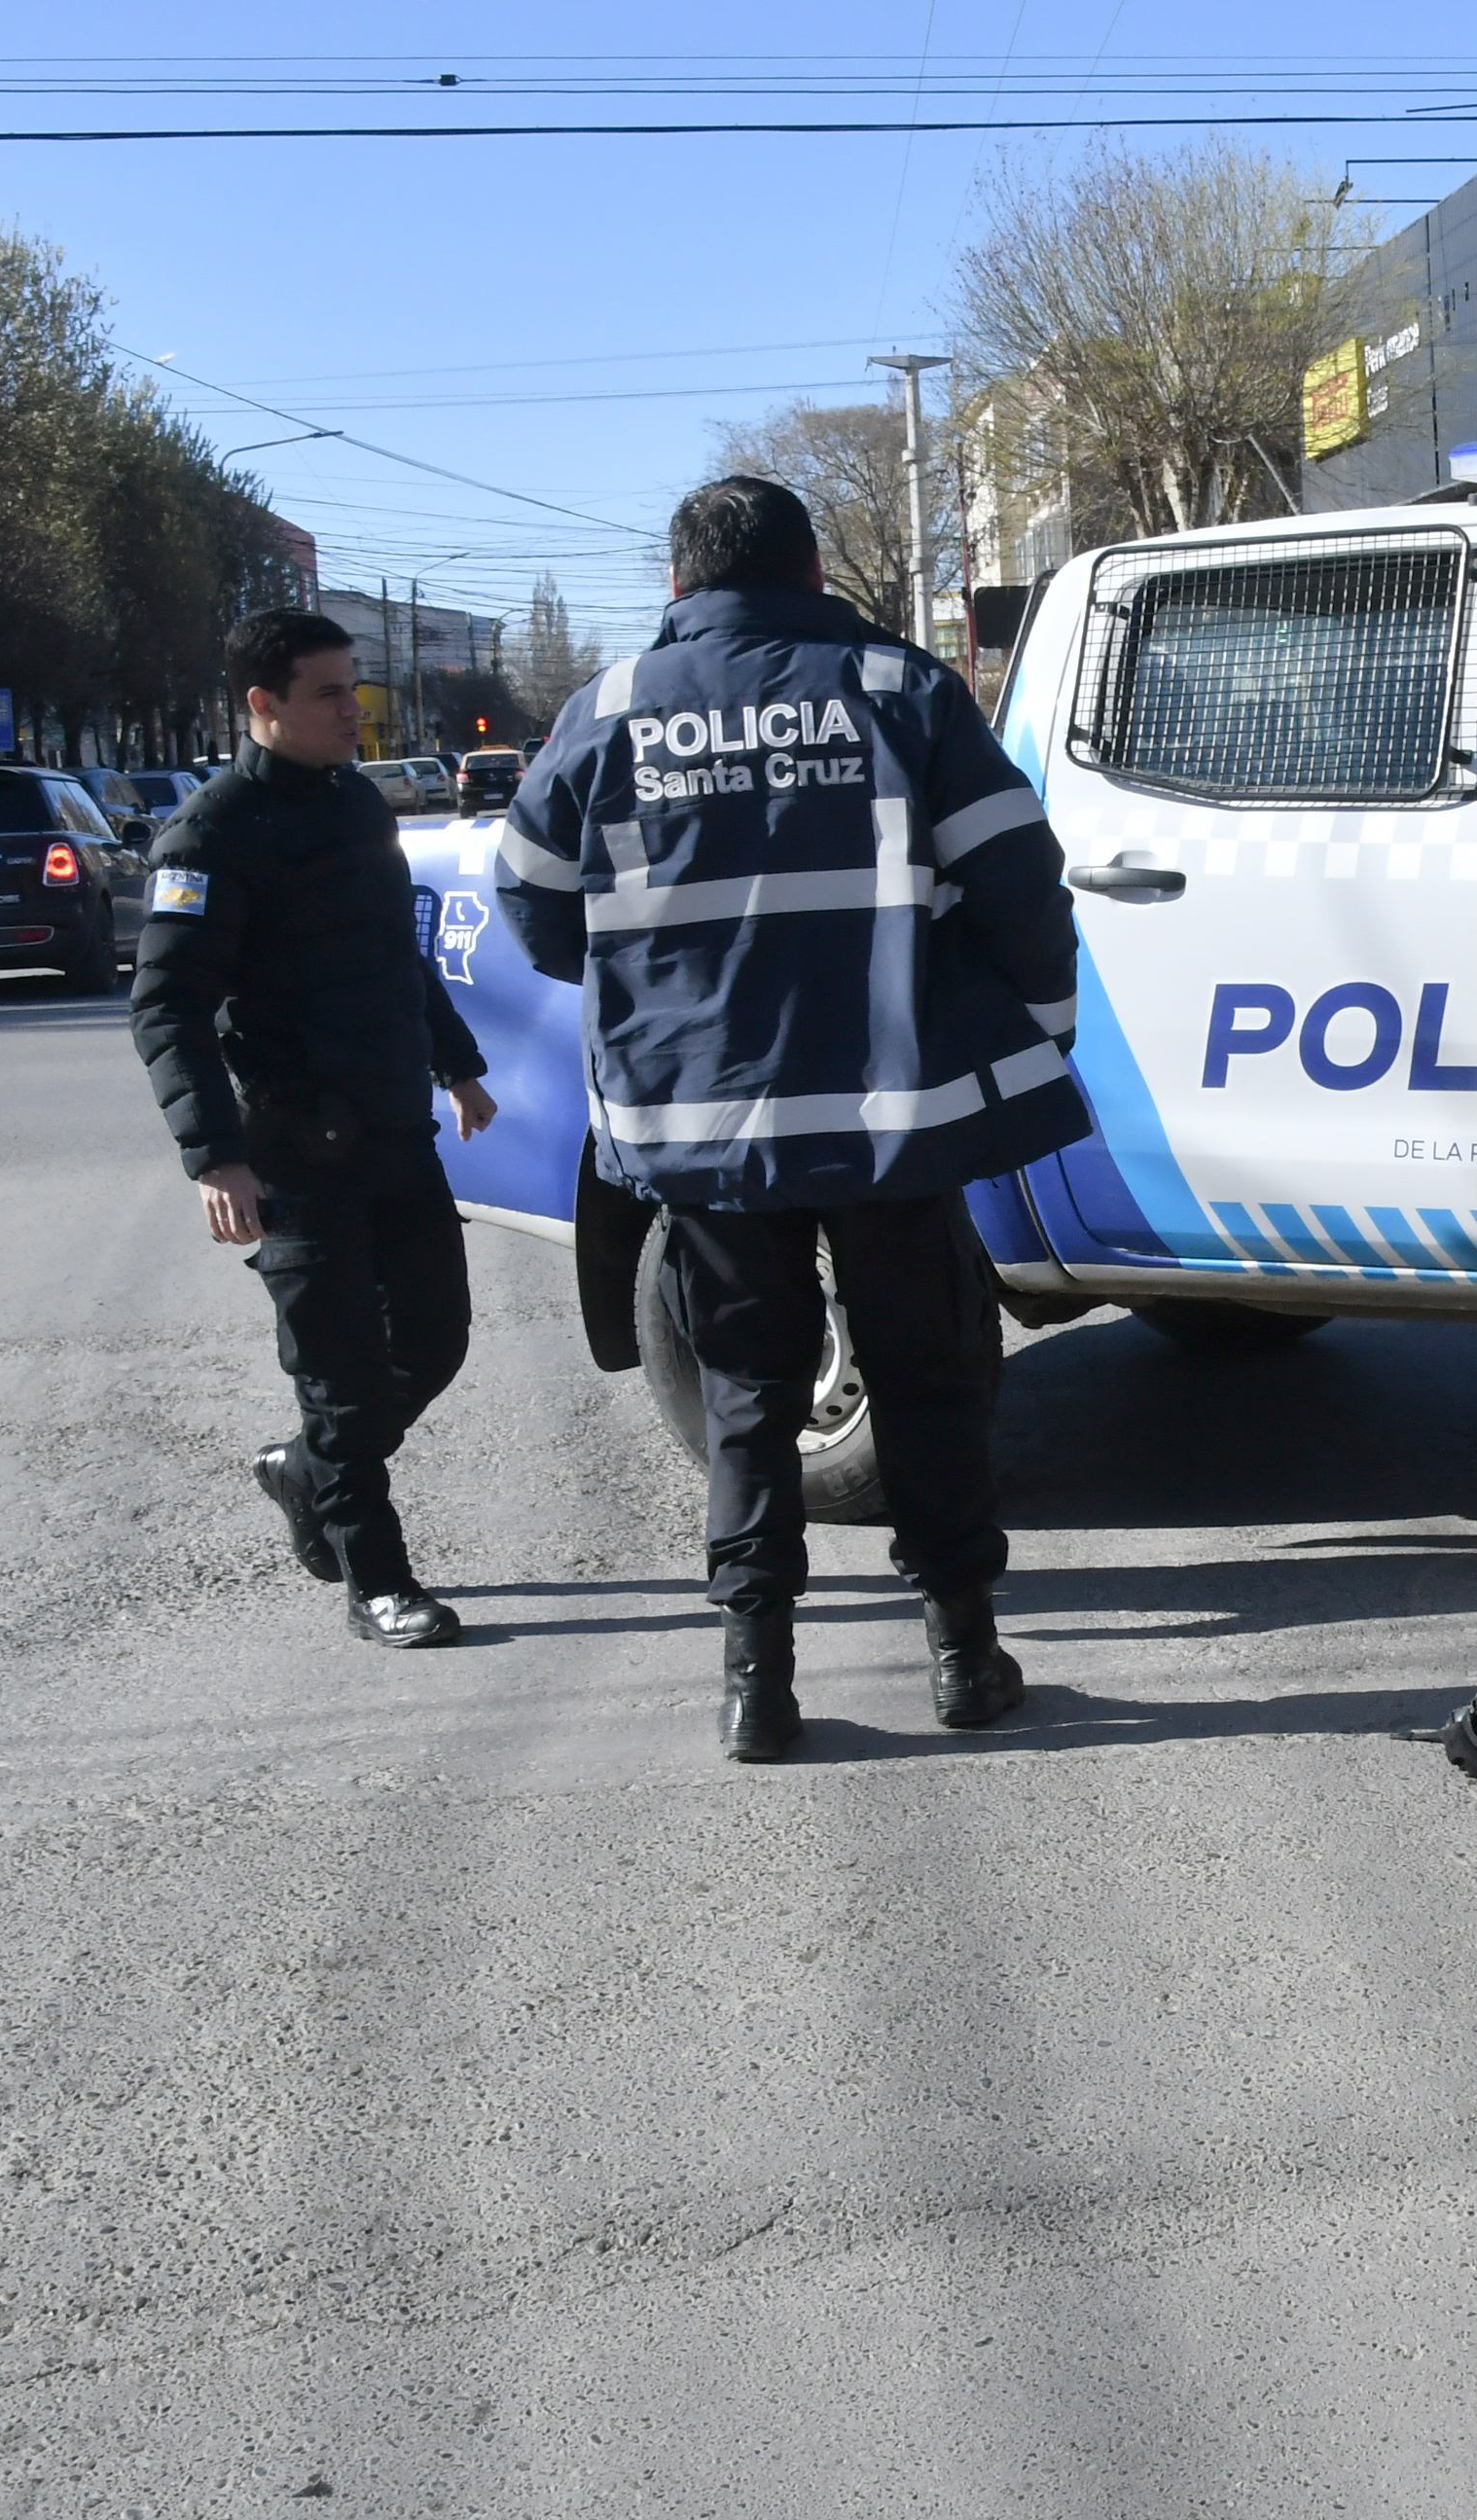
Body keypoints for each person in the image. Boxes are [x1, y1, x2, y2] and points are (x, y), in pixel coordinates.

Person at [495, 476, 1084, 1761]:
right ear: (814, 571)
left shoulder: (607, 710)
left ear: (677, 585)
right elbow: (1019, 878)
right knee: (925, 1380)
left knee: (748, 1397)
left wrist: (655, 984)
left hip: (698, 1124)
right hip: (890, 1116)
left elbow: (533, 905)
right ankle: (964, 1657)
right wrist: (1041, 1021)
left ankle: (756, 1685)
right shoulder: (898, 689)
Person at [135, 606, 499, 1650]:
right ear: (264, 704)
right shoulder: (209, 834)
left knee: (433, 1340)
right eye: (330, 693)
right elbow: (167, 1008)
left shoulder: (354, 801)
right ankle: (375, 1578)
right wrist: (216, 1156)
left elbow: (394, 954)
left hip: (394, 1128)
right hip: (294, 1147)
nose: (353, 710)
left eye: (354, 688)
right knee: (340, 1373)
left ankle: (305, 1471)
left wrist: (457, 1063)